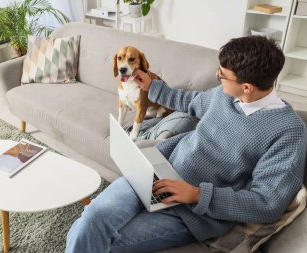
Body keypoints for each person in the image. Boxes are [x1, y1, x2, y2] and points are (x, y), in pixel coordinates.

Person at [65, 36, 307, 253]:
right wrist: (151, 86)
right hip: (155, 170)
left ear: (247, 87)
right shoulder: (225, 95)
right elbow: (189, 100)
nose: (217, 76)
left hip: (192, 212)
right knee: (91, 219)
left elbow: (267, 203)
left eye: (222, 74)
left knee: (97, 239)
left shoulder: (288, 132)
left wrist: (196, 195)